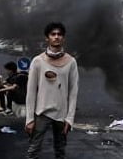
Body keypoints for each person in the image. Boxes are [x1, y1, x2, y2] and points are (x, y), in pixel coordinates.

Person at [25, 22, 79, 159]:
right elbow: (31, 92)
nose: (56, 37)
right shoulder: (38, 61)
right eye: (53, 34)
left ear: (63, 38)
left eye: (59, 34)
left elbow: (73, 92)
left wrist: (70, 119)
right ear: (47, 38)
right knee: (33, 151)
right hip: (41, 113)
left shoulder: (71, 62)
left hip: (61, 115)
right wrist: (29, 119)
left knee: (60, 152)